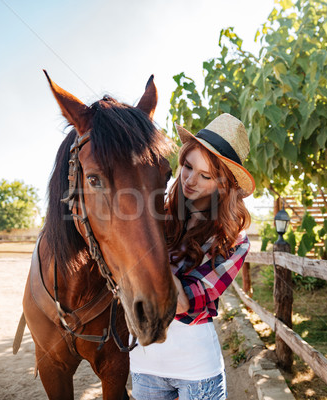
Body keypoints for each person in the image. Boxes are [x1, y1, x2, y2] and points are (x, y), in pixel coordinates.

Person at [129, 113, 256, 400]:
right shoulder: (155, 214)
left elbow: (182, 302)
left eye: (205, 175)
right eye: (187, 166)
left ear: (223, 184)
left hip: (195, 370)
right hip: (143, 363)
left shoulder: (233, 241)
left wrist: (140, 253)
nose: (190, 180)